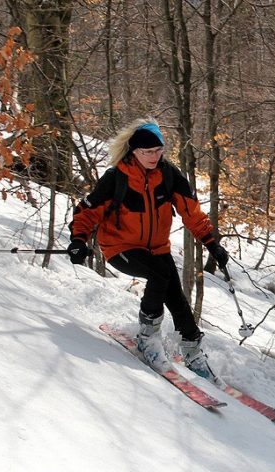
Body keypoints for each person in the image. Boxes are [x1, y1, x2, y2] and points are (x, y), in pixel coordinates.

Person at [66, 119, 229, 380]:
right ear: (134, 152)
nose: (153, 156)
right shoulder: (116, 178)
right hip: (120, 247)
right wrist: (78, 241)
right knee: (159, 275)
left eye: (158, 150)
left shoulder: (168, 175)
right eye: (147, 152)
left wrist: (212, 244)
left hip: (156, 248)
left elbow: (191, 212)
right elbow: (87, 212)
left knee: (176, 296)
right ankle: (147, 337)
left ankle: (192, 350)